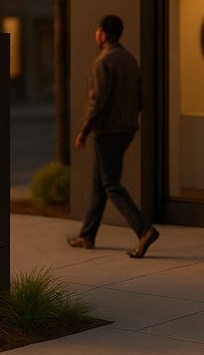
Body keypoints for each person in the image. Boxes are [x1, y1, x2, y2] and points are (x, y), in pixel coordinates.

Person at [68, 15, 160, 258]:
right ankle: (87, 235)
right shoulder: (129, 59)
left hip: (107, 130)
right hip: (126, 129)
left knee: (110, 184)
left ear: (103, 34)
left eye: (97, 30)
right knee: (100, 183)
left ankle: (143, 230)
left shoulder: (103, 62)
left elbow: (97, 102)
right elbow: (142, 99)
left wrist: (84, 131)